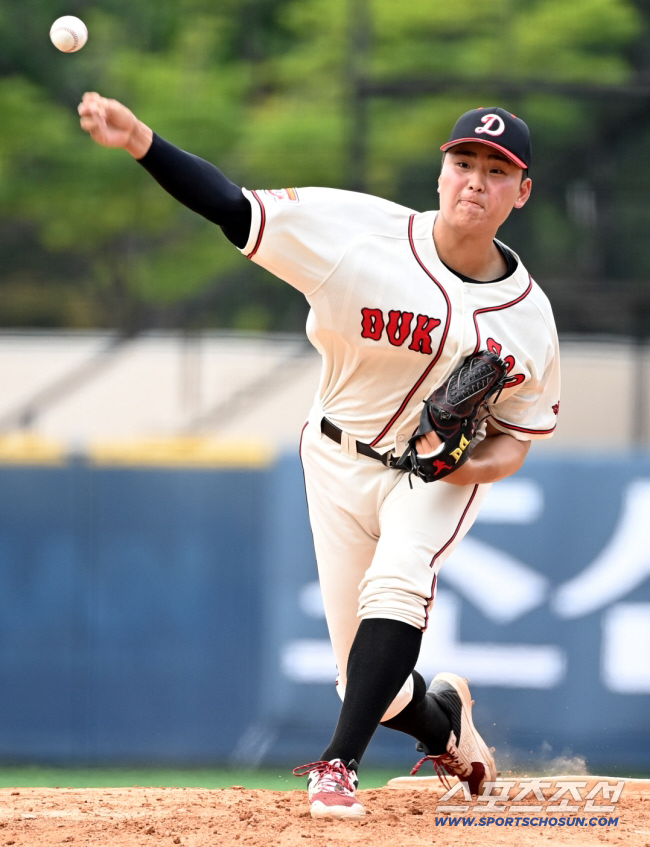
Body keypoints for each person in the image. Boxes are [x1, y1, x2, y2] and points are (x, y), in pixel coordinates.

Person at [79, 95, 560, 819]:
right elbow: (233, 209)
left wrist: (464, 468)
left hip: (433, 479)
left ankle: (338, 764)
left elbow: (516, 440)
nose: (474, 181)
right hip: (336, 457)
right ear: (440, 173)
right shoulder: (359, 235)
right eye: (463, 163)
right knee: (368, 684)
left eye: (497, 172)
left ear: (520, 193)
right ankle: (445, 716)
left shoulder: (531, 319)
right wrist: (144, 142)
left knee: (398, 582)